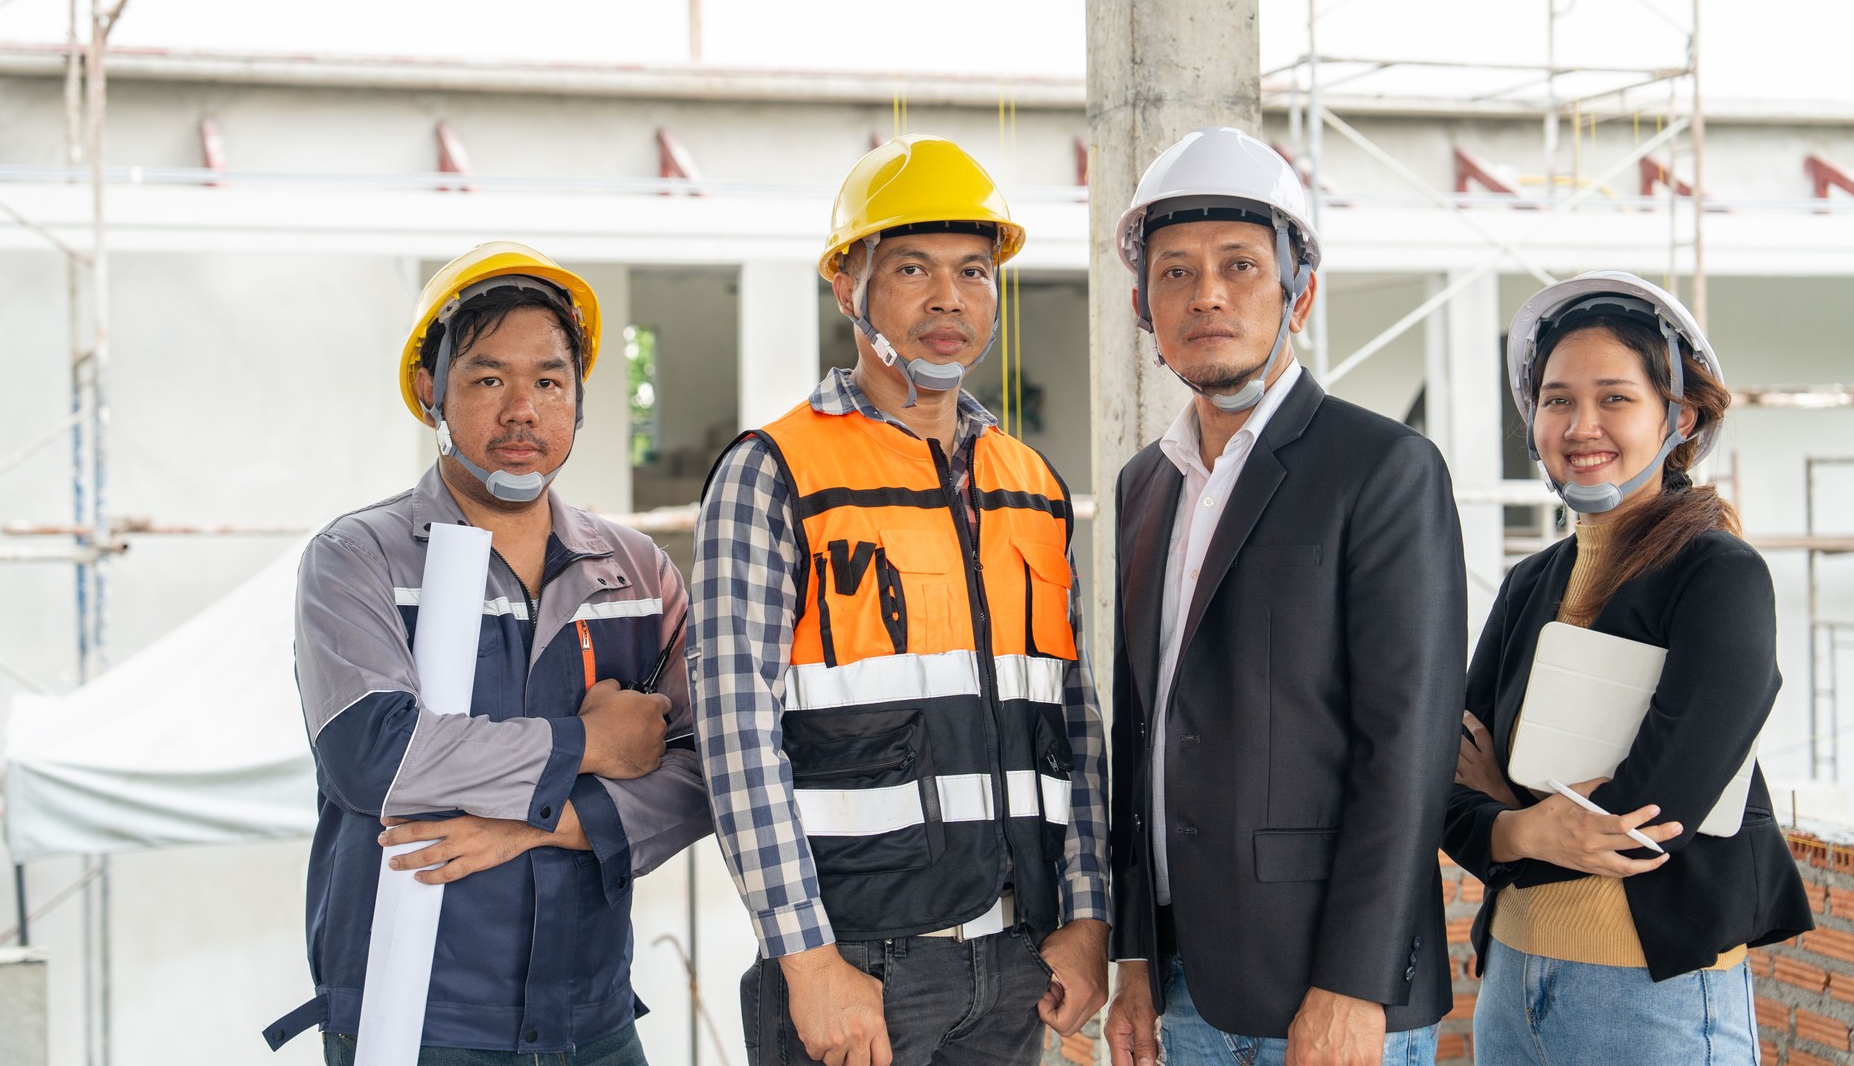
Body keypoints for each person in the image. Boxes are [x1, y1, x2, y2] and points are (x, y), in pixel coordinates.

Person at [689, 135, 1111, 1066]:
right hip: (858, 970)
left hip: (1016, 965)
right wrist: (808, 962)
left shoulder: (1029, 483)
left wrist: (1086, 916)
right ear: (849, 284)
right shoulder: (776, 473)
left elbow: (1073, 724)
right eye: (912, 268)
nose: (947, 300)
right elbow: (733, 737)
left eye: (973, 270)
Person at [264, 242, 711, 1064]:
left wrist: (542, 829)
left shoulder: (637, 574)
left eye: (548, 381)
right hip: (416, 1028)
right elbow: (379, 757)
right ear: (431, 390)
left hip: (593, 1025)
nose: (521, 412)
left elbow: (706, 773)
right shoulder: (361, 558)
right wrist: (592, 746)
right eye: (486, 378)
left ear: (578, 399)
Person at [1099, 127, 1467, 1066]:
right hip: (1183, 984)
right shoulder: (1146, 485)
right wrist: (1134, 951)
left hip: (1325, 990)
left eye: (1240, 265)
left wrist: (1356, 982)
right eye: (1174, 272)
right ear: (1145, 308)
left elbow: (1410, 747)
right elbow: (1140, 734)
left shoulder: (1382, 468)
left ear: (1299, 292)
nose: (1206, 294)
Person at [1443, 270, 1813, 1065]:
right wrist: (1528, 822)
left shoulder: (1718, 576)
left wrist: (1505, 816)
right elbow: (1445, 785)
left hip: (1650, 1000)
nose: (1581, 425)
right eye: (1556, 399)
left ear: (1677, 417)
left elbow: (1649, 824)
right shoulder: (1530, 582)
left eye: (1615, 397)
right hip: (1511, 983)